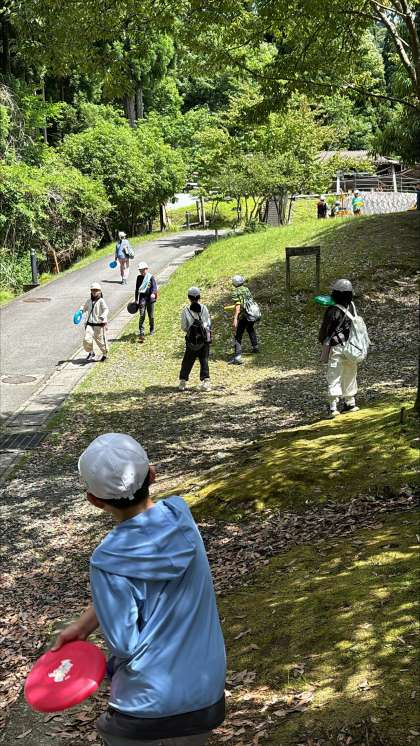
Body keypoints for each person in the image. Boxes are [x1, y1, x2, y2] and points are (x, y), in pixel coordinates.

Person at [52, 433, 226, 746]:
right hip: (206, 699)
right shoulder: (181, 515)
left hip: (144, 710)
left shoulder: (107, 561)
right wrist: (83, 625)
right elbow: (150, 587)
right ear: (152, 474)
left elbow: (124, 643)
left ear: (94, 501)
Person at [318, 278, 360, 418]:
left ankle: (333, 407)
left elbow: (325, 330)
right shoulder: (352, 306)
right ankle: (350, 403)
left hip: (337, 347)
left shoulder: (333, 310)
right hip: (352, 347)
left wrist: (323, 340)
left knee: (334, 375)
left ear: (336, 293)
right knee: (350, 374)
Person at [179, 287, 211, 391]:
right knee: (204, 360)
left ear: (189, 297)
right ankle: (206, 382)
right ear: (199, 297)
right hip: (203, 339)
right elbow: (208, 323)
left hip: (191, 340)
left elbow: (184, 327)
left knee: (187, 360)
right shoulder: (204, 308)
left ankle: (183, 382)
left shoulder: (186, 310)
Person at [229, 275, 259, 365]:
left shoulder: (235, 292)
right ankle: (255, 347)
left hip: (245, 315)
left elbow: (238, 307)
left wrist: (235, 318)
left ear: (234, 283)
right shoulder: (246, 289)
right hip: (252, 313)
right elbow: (246, 301)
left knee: (238, 334)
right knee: (250, 328)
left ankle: (237, 357)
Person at [79, 282, 109, 362]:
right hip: (89, 324)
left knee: (99, 341)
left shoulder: (101, 301)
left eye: (96, 290)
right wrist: (80, 311)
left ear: (100, 291)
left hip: (98, 324)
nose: (94, 292)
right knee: (87, 339)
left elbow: (106, 309)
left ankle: (105, 354)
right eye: (93, 290)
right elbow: (84, 308)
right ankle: (91, 353)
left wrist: (103, 316)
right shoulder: (89, 301)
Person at [135, 261, 158, 343]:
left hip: (150, 299)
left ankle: (152, 329)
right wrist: (136, 299)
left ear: (146, 269)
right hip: (142, 299)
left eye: (143, 270)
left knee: (151, 316)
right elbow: (137, 289)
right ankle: (141, 332)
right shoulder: (138, 278)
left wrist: (153, 293)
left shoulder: (150, 277)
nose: (141, 272)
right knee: (142, 315)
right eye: (140, 270)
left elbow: (154, 287)